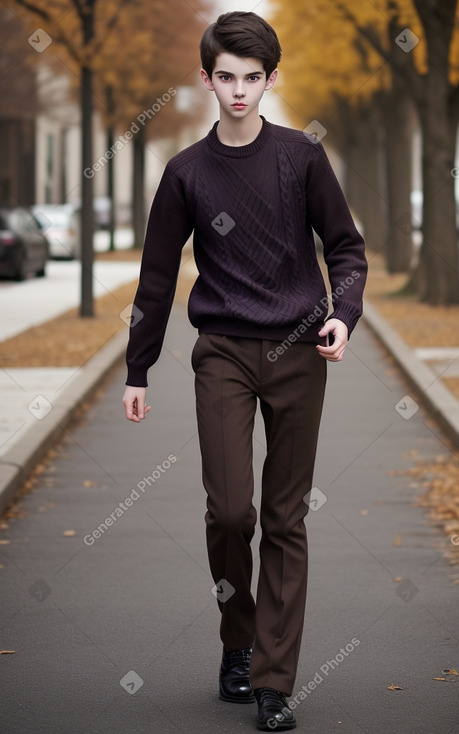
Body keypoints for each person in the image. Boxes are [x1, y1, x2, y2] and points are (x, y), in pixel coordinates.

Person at [122, 10, 367, 731]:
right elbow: (156, 279)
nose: (237, 91)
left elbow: (346, 249)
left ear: (269, 79)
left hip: (298, 355)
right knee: (231, 512)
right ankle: (238, 636)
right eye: (224, 77)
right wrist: (137, 370)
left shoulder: (301, 158)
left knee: (285, 519)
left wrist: (340, 314)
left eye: (251, 79)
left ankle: (272, 680)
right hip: (222, 352)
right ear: (205, 79)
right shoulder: (185, 173)